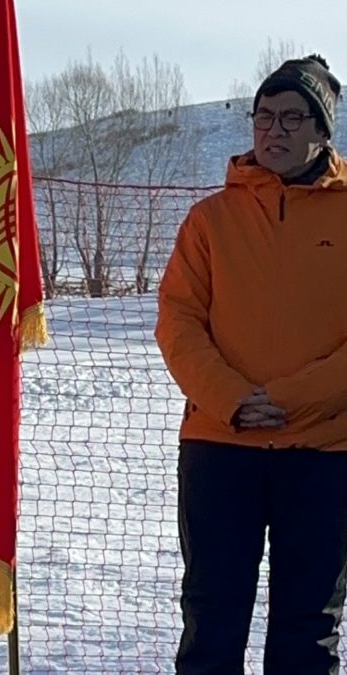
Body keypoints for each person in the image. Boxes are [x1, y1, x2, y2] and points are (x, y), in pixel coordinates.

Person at [157, 54, 347, 674]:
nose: (274, 130)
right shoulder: (210, 220)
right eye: (263, 116)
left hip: (324, 454)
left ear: (324, 131)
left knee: (307, 632)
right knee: (212, 623)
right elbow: (178, 321)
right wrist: (234, 398)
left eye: (293, 117)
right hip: (220, 446)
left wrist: (292, 398)